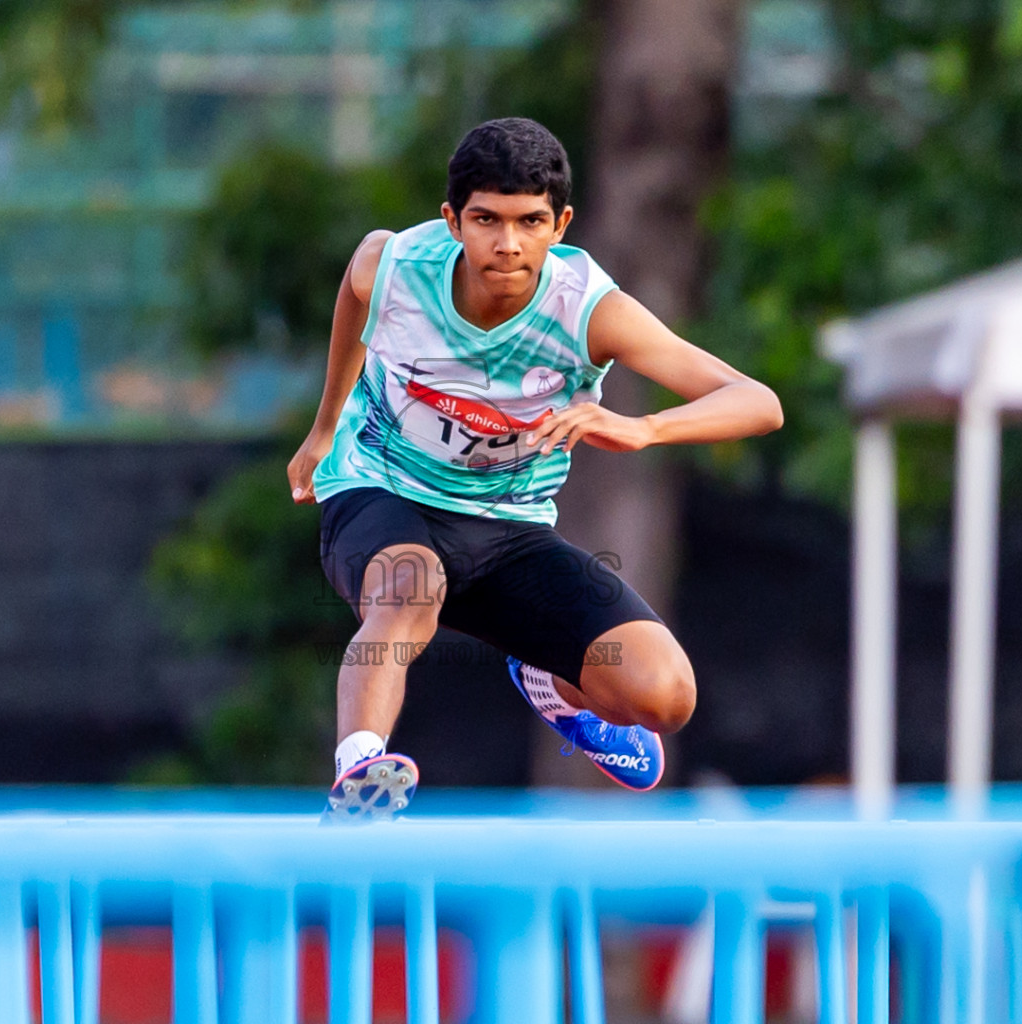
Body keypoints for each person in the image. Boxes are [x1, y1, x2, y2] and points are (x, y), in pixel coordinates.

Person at [288, 117, 783, 821]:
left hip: (507, 529)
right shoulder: (394, 265)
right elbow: (354, 296)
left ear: (561, 225)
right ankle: (361, 774)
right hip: (382, 494)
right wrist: (325, 424)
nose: (508, 245)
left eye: (529, 222)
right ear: (452, 220)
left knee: (664, 694)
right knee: (411, 583)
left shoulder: (588, 309)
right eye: (486, 220)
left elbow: (758, 403)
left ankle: (554, 685)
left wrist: (645, 427)